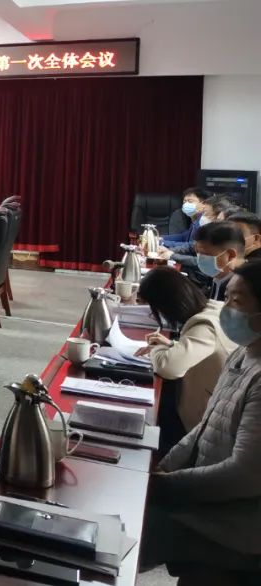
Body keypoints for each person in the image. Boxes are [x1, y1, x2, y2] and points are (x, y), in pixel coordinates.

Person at [139, 261, 261, 577]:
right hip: (210, 497)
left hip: (239, 527)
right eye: (227, 297)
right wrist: (163, 469)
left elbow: (245, 475)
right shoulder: (243, 353)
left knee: (132, 528)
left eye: (237, 301)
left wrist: (166, 487)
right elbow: (204, 426)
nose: (226, 309)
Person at [136, 267, 236, 451]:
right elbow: (204, 351)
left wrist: (155, 348)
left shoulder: (205, 326)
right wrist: (173, 345)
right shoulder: (212, 308)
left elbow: (168, 367)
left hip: (209, 421)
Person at [194, 221, 247, 301]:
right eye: (197, 253)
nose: (199, 259)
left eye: (205, 255)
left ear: (230, 255)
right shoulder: (219, 276)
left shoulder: (245, 288)